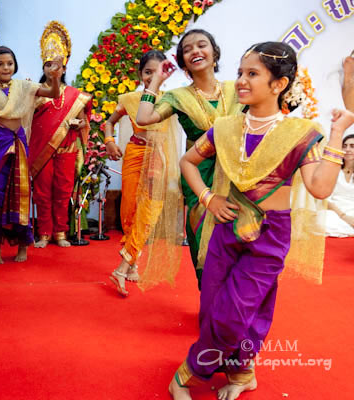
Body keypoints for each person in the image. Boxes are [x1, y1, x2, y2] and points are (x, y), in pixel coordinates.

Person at [169, 41, 354, 400]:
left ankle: (187, 373)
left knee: (233, 315)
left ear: (278, 85)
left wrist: (335, 136)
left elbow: (319, 187)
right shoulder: (225, 128)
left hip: (269, 237)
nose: (240, 80)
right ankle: (242, 373)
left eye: (252, 74)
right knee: (215, 309)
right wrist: (209, 197)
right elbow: (187, 162)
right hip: (226, 228)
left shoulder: (299, 133)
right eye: (240, 72)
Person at [136, 29, 244, 288]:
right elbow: (143, 118)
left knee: (239, 236)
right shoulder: (178, 97)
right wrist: (155, 82)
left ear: (214, 54)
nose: (195, 51)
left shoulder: (237, 89)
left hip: (237, 174)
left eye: (202, 45)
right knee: (203, 238)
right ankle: (210, 299)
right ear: (183, 63)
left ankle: (236, 302)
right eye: (188, 49)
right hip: (199, 174)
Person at [0, 46, 63, 264]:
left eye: (9, 63)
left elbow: (54, 94)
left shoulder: (24, 87)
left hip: (19, 141)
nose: (6, 67)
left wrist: (54, 76)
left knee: (21, 193)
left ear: (14, 65)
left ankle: (23, 245)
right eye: (0, 64)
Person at [104, 50, 183, 296]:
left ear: (165, 74)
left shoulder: (172, 99)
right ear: (140, 74)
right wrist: (109, 141)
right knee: (129, 209)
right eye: (147, 72)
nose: (152, 76)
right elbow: (109, 122)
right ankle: (133, 261)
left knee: (149, 212)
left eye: (157, 72)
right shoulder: (130, 99)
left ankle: (123, 265)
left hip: (158, 158)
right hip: (135, 154)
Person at [30, 21, 92, 248]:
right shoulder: (35, 93)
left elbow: (85, 122)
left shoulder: (77, 95)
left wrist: (79, 124)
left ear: (64, 68)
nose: (52, 69)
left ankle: (61, 233)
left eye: (56, 65)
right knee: (43, 193)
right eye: (48, 65)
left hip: (67, 149)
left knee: (62, 192)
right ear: (43, 68)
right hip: (42, 151)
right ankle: (44, 233)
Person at [325, 134, 354, 237]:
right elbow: (326, 199)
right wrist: (344, 217)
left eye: (352, 146)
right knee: (323, 219)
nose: (347, 149)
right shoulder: (332, 170)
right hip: (335, 212)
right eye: (344, 146)